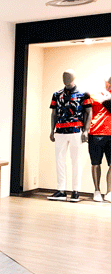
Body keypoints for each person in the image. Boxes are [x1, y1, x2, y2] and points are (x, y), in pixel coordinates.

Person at [48, 69, 91, 202]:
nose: (65, 78)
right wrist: (52, 130)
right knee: (59, 160)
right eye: (63, 76)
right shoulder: (56, 94)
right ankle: (61, 190)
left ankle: (75, 190)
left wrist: (86, 130)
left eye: (68, 76)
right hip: (60, 131)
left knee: (76, 160)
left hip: (76, 131)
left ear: (73, 78)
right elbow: (54, 113)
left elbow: (89, 112)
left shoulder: (83, 94)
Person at [88, 73, 111, 202]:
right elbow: (87, 113)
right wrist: (84, 130)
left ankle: (109, 192)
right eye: (106, 81)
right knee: (96, 163)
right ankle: (97, 190)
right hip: (95, 133)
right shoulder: (93, 94)